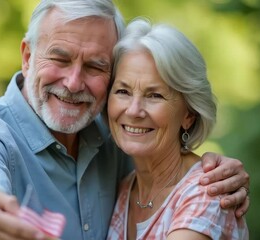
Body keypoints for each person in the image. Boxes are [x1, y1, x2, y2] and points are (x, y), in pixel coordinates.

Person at [0, 1, 250, 240]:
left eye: (94, 66)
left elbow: (174, 170)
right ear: (27, 56)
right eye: (60, 59)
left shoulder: (116, 137)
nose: (74, 83)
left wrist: (211, 171)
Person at [105, 18, 249, 239]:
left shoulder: (207, 192)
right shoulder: (124, 188)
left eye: (155, 95)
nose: (134, 111)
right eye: (123, 91)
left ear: (189, 115)